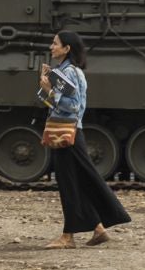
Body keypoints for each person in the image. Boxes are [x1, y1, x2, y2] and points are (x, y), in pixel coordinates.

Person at [38, 29, 129, 248]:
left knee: (73, 182)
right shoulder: (62, 71)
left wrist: (49, 90)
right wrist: (45, 87)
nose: (51, 47)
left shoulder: (69, 73)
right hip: (66, 132)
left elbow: (73, 106)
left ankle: (68, 237)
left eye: (55, 43)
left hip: (68, 133)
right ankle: (97, 229)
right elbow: (51, 104)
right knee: (74, 182)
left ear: (67, 49)